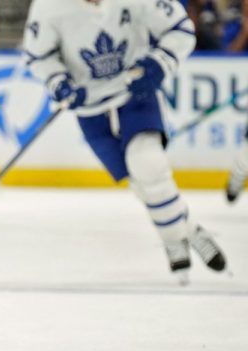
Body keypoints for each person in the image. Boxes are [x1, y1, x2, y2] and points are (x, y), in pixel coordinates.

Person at [23, 0, 227, 283]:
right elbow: (37, 54)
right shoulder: (49, 6)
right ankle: (190, 231)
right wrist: (58, 82)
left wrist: (160, 62)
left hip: (135, 93)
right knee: (142, 185)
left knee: (148, 165)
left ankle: (172, 242)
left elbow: (179, 28)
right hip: (90, 109)